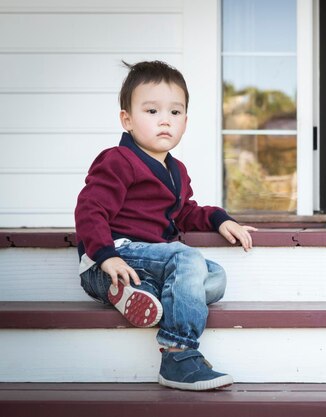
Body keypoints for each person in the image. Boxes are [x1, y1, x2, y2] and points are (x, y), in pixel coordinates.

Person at [74, 60, 256, 391]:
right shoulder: (117, 160)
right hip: (112, 257)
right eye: (152, 111)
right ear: (126, 119)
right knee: (187, 259)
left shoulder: (177, 171)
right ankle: (179, 354)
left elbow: (184, 212)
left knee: (214, 277)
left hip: (149, 262)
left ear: (185, 121)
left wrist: (219, 219)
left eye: (175, 113)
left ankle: (141, 294)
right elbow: (90, 208)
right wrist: (105, 254)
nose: (164, 121)